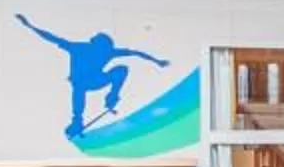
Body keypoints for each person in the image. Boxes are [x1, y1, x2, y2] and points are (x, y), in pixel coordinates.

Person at [16, 15, 170, 139]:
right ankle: (78, 119)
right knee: (82, 84)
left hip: (95, 81)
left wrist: (157, 61)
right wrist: (30, 26)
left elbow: (135, 53)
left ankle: (110, 97)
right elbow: (51, 38)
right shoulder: (82, 48)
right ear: (98, 44)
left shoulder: (103, 50)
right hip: (85, 82)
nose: (103, 51)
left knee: (121, 69)